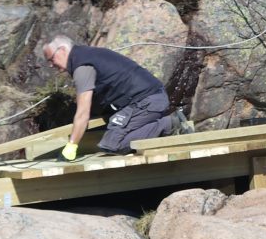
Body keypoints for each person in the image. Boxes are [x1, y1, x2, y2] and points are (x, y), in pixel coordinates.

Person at [42, 35, 193, 161]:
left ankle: (170, 124)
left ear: (62, 50)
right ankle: (165, 124)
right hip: (148, 98)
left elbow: (82, 113)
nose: (51, 65)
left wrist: (71, 146)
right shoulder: (89, 55)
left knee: (112, 144)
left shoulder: (82, 67)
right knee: (113, 132)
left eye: (51, 59)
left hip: (147, 101)